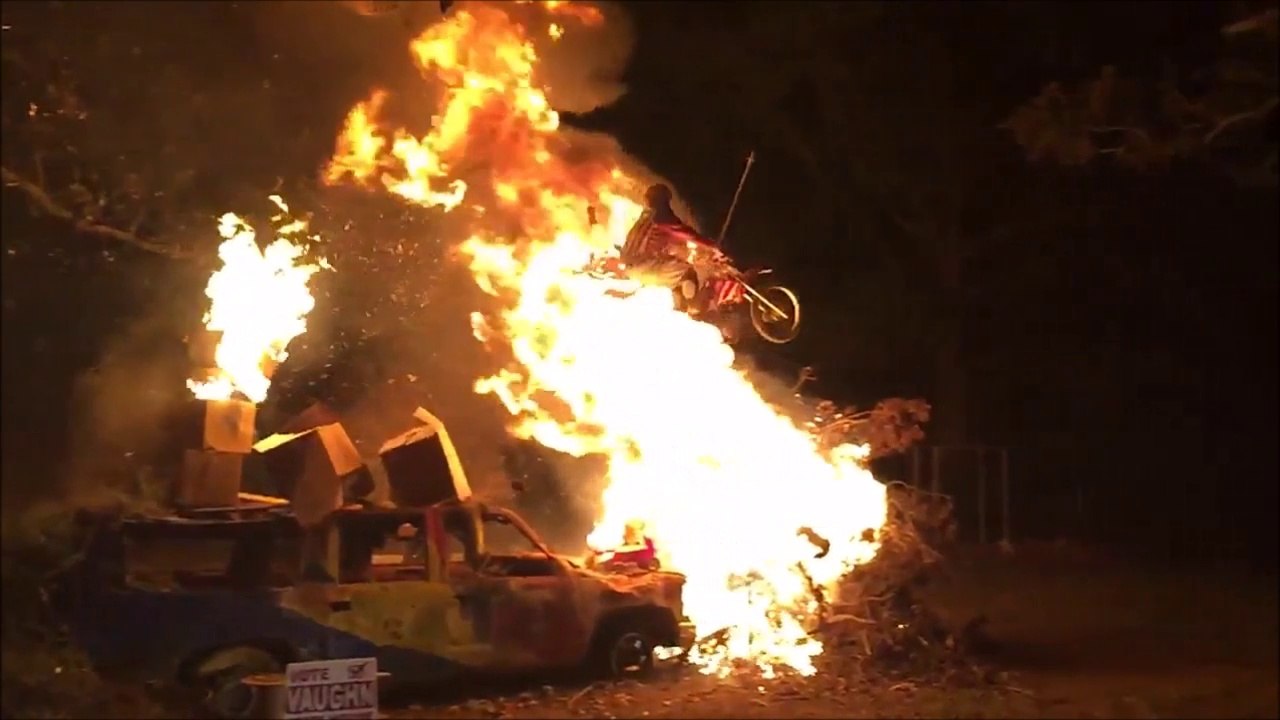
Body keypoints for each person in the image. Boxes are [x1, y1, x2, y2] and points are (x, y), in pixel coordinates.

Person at [619, 184, 707, 309]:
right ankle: (692, 309)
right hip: (644, 268)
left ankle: (674, 304)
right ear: (663, 200)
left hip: (628, 269)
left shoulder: (643, 218)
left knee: (672, 273)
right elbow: (689, 235)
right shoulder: (662, 216)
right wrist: (713, 247)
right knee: (687, 271)